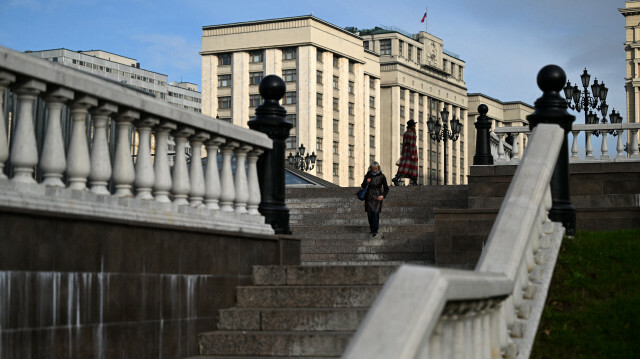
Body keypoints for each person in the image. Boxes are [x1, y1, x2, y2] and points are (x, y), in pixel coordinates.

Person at [360, 161, 389, 237]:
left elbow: (386, 188)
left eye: (376, 168)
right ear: (371, 168)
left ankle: (375, 231)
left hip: (377, 197)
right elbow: (363, 186)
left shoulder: (382, 176)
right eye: (373, 169)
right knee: (370, 214)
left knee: (376, 214)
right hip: (369, 197)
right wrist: (367, 182)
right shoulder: (368, 175)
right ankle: (372, 229)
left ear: (378, 168)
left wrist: (383, 195)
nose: (375, 170)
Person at [392, 119, 419, 186]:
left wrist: (403, 152)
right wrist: (412, 154)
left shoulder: (405, 133)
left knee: (403, 166)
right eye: (414, 125)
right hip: (411, 151)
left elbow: (403, 144)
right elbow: (412, 144)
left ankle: (397, 177)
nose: (415, 126)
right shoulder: (412, 133)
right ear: (412, 126)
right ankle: (414, 181)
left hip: (406, 151)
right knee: (412, 167)